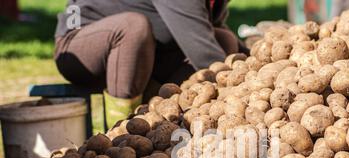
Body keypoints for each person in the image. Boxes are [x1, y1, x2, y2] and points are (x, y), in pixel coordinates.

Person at [54, 0, 248, 128]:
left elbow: (208, 31)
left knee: (224, 39)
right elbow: (203, 52)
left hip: (150, 51)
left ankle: (165, 122)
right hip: (81, 46)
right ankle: (121, 135)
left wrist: (257, 61)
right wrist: (245, 91)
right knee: (133, 27)